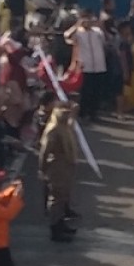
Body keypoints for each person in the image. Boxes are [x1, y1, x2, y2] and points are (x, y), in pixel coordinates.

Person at [40, 101, 80, 242]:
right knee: (56, 198)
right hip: (57, 167)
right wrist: (42, 168)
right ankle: (55, 229)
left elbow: (71, 124)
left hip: (66, 166)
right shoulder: (53, 129)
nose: (66, 114)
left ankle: (61, 223)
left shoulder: (64, 127)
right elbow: (45, 152)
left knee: (64, 197)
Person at [67, 10, 109, 122]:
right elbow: (67, 36)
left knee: (97, 91)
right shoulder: (78, 33)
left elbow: (106, 41)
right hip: (85, 67)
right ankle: (83, 113)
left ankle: (94, 113)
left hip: (99, 65)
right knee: (86, 91)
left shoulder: (97, 31)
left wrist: (101, 26)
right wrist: (77, 25)